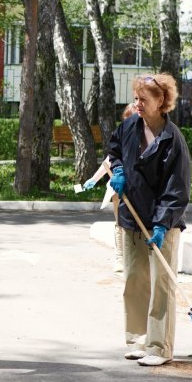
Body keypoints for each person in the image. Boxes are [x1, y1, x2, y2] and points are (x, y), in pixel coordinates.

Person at [107, 74, 192, 367]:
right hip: (131, 217)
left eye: (144, 99)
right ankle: (137, 340)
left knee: (161, 286)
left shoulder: (172, 140)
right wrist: (117, 171)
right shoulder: (129, 126)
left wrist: (161, 222)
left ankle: (159, 347)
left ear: (161, 102)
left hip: (162, 224)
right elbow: (114, 150)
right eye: (136, 98)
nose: (137, 104)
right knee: (134, 281)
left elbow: (177, 187)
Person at [82, 102, 138, 272]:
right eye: (127, 120)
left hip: (138, 188)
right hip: (118, 187)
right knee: (120, 222)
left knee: (137, 222)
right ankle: (120, 258)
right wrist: (93, 178)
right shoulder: (121, 139)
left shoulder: (148, 137)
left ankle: (136, 258)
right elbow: (109, 161)